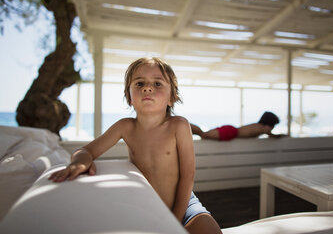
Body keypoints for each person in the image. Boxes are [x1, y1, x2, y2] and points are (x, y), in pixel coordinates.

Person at [48, 57, 222, 234]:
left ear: (172, 98)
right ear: (129, 97)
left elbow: (188, 176)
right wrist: (80, 161)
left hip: (185, 205)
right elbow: (85, 150)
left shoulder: (179, 125)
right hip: (147, 206)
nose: (147, 87)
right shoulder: (126, 127)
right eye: (139, 83)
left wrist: (174, 222)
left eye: (157, 83)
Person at [191, 111, 285, 141]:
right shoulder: (261, 128)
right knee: (203, 134)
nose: (272, 128)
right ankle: (187, 126)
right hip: (231, 132)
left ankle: (187, 127)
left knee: (203, 134)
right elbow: (271, 134)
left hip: (231, 131)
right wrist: (281, 136)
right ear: (269, 124)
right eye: (273, 125)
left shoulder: (258, 126)